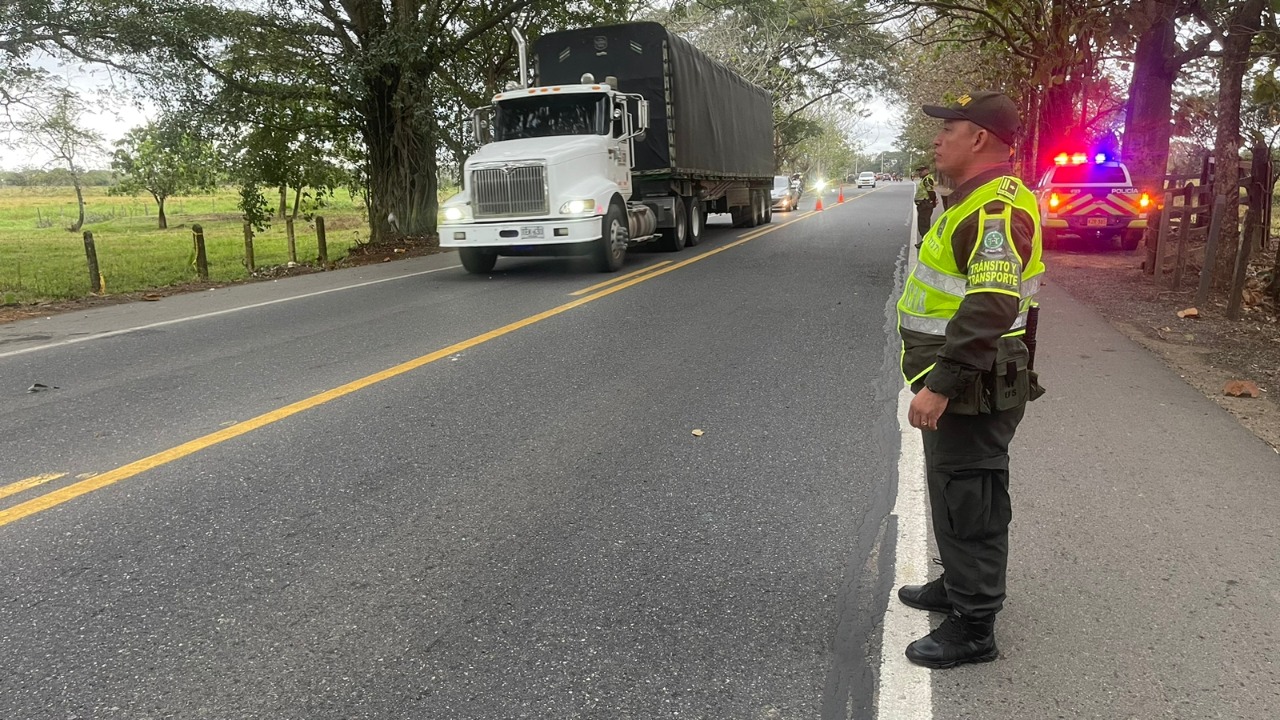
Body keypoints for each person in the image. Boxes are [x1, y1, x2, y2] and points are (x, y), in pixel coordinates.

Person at [894, 91, 1046, 669]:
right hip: (966, 378)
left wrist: (943, 382)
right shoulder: (970, 202)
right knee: (954, 485)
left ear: (979, 137)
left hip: (971, 382)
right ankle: (957, 584)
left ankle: (975, 624)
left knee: (971, 495)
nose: (937, 139)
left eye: (948, 128)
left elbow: (990, 302)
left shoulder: (994, 210)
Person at [913, 165, 937, 248]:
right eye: (919, 171)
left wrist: (932, 202)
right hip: (923, 205)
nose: (920, 172)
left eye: (922, 171)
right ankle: (925, 241)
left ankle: (926, 243)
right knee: (923, 224)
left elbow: (931, 192)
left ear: (927, 171)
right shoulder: (925, 179)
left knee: (924, 225)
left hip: (925, 205)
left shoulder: (927, 180)